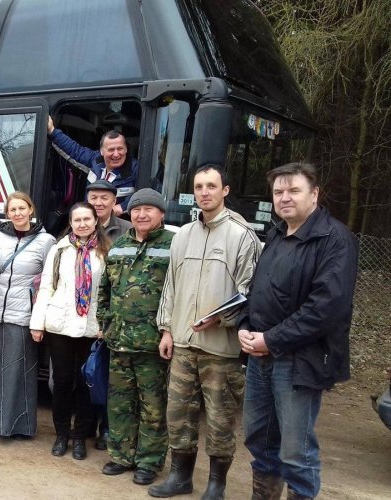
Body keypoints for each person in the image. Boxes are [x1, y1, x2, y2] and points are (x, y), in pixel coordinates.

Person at [238, 163, 357, 500]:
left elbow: (326, 308)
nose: (284, 198)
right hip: (260, 356)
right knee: (259, 439)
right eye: (278, 192)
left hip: (299, 360)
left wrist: (270, 340)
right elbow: (257, 290)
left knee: (296, 450)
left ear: (315, 194)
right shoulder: (276, 234)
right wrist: (246, 326)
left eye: (294, 190)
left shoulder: (335, 239)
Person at [149, 165, 261, 499]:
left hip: (221, 349)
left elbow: (250, 294)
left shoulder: (243, 237)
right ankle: (180, 477)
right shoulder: (183, 235)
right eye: (199, 186)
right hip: (183, 343)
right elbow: (171, 286)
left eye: (212, 186)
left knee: (219, 417)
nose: (205, 192)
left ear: (225, 190)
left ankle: (216, 484)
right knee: (179, 414)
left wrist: (222, 319)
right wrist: (166, 329)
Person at [97, 188, 174, 486]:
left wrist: (168, 332)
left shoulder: (173, 246)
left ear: (161, 214)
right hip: (119, 341)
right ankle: (121, 456)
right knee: (119, 403)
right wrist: (104, 322)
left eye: (149, 209)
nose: (142, 214)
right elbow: (104, 290)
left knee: (153, 407)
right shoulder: (118, 247)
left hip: (153, 345)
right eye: (136, 209)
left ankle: (148, 462)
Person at [30, 202, 110, 459]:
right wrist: (37, 323)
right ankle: (62, 434)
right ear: (71, 223)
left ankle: (79, 437)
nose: (83, 224)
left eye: (87, 219)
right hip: (59, 326)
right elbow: (46, 287)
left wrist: (105, 325)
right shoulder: (59, 249)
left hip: (91, 329)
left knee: (85, 384)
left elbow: (109, 292)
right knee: (62, 382)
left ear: (96, 221)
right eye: (78, 220)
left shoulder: (106, 251)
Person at [0, 192, 55, 439]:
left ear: (31, 209)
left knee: (18, 372)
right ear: (7, 213)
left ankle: (16, 425)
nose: (18, 213)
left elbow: (48, 283)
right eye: (13, 209)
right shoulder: (0, 237)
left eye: (22, 208)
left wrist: (38, 320)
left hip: (24, 317)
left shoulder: (46, 241)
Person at [48, 116, 139, 213]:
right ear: (102, 152)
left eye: (120, 149)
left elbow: (147, 191)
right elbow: (74, 150)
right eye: (111, 150)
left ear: (126, 149)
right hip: (91, 221)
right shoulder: (95, 160)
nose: (116, 154)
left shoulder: (136, 169)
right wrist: (52, 131)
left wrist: (122, 207)